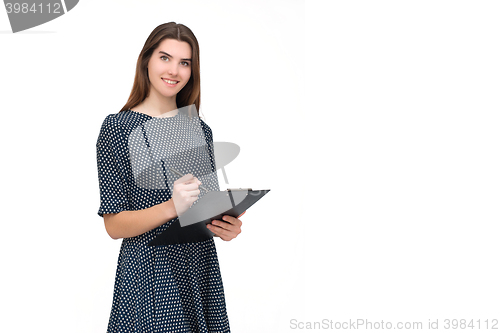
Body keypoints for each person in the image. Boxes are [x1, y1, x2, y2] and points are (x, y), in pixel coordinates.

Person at [96, 22, 243, 333]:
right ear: (147, 60)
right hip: (149, 273)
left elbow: (199, 214)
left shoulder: (200, 130)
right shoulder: (118, 128)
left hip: (198, 270)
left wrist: (223, 226)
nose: (174, 70)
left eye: (184, 62)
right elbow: (113, 225)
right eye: (165, 58)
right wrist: (170, 207)